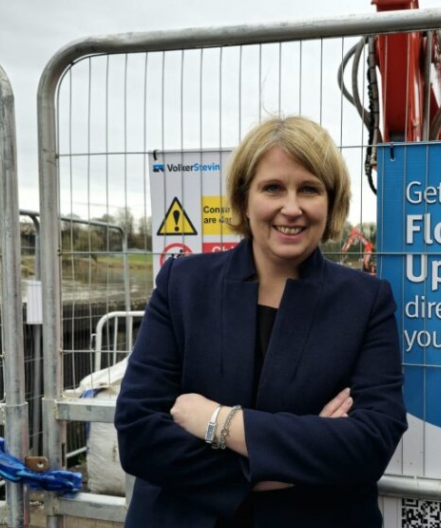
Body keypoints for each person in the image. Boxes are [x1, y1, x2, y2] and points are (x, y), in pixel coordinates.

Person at [115, 116, 407, 528]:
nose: (292, 207)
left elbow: (370, 443)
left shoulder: (366, 301)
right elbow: (138, 435)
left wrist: (220, 423)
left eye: (309, 188)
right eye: (273, 187)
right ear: (244, 199)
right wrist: (285, 467)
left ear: (332, 200)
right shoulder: (183, 285)